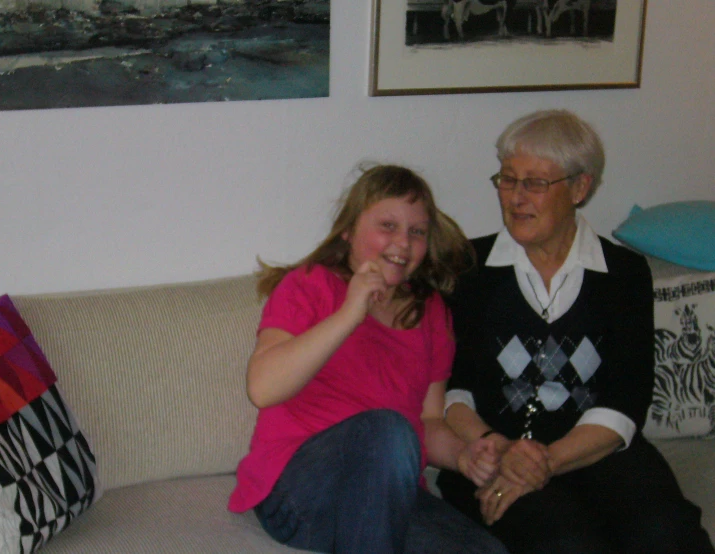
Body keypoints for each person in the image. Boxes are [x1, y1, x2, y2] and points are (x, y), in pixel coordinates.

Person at [436, 109, 715, 554]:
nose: (516, 197)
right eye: (508, 179)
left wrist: (544, 462)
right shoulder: (470, 268)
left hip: (596, 452)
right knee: (568, 545)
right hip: (491, 454)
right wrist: (501, 450)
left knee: (669, 536)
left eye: (536, 183)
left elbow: (626, 401)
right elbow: (456, 391)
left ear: (580, 188)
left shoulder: (622, 274)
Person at [228, 164, 509, 554]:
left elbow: (428, 420)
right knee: (387, 431)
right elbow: (262, 388)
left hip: (389, 495)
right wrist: (349, 313)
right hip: (298, 493)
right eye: (388, 226)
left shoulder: (431, 312)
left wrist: (464, 455)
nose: (403, 243)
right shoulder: (310, 285)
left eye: (417, 232)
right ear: (349, 231)